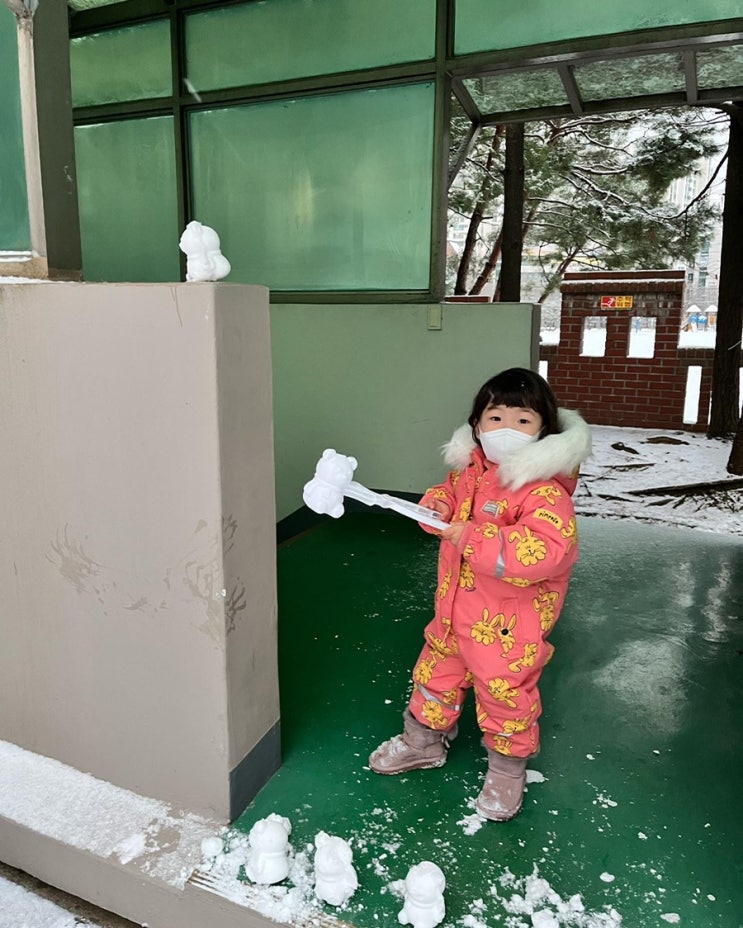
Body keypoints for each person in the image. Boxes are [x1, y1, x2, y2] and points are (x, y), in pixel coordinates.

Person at [368, 368, 592, 822]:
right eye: (495, 417)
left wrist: (472, 537)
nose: (507, 429)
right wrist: (436, 506)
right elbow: (449, 495)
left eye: (522, 421)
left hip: (507, 629)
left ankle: (507, 770)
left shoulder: (545, 491)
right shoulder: (472, 473)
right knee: (435, 675)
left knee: (505, 694)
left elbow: (547, 551)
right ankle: (423, 742)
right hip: (453, 613)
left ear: (544, 430)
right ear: (477, 425)